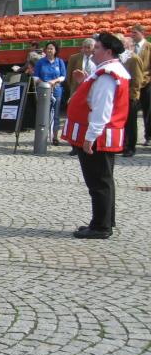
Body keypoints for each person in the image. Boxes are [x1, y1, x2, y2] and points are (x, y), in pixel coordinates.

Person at [61, 32, 129, 239]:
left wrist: (90, 137)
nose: (93, 51)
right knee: (103, 180)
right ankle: (104, 220)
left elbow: (102, 109)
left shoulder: (107, 74)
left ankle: (101, 226)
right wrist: (84, 82)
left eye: (97, 48)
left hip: (99, 136)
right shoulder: (108, 71)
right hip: (103, 134)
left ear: (108, 52)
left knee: (98, 182)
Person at [33, 41, 67, 145]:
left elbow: (63, 76)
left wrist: (54, 81)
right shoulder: (40, 62)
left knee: (56, 113)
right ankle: (43, 136)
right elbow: (35, 77)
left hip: (56, 90)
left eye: (51, 48)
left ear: (55, 50)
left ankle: (55, 137)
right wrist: (44, 84)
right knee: (43, 113)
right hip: (43, 90)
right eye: (48, 48)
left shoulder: (59, 62)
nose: (49, 50)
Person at [121, 36, 143, 158]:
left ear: (130, 45)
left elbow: (137, 80)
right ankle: (123, 144)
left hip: (130, 96)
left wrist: (132, 95)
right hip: (121, 96)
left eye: (123, 43)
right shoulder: (121, 58)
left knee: (131, 123)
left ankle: (131, 147)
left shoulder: (134, 59)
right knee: (123, 122)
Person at [131, 24, 151, 145]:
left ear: (142, 33)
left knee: (147, 111)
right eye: (132, 33)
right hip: (133, 85)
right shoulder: (131, 47)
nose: (132, 35)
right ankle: (131, 139)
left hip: (146, 83)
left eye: (135, 33)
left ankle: (148, 136)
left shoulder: (149, 47)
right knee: (132, 111)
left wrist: (147, 78)